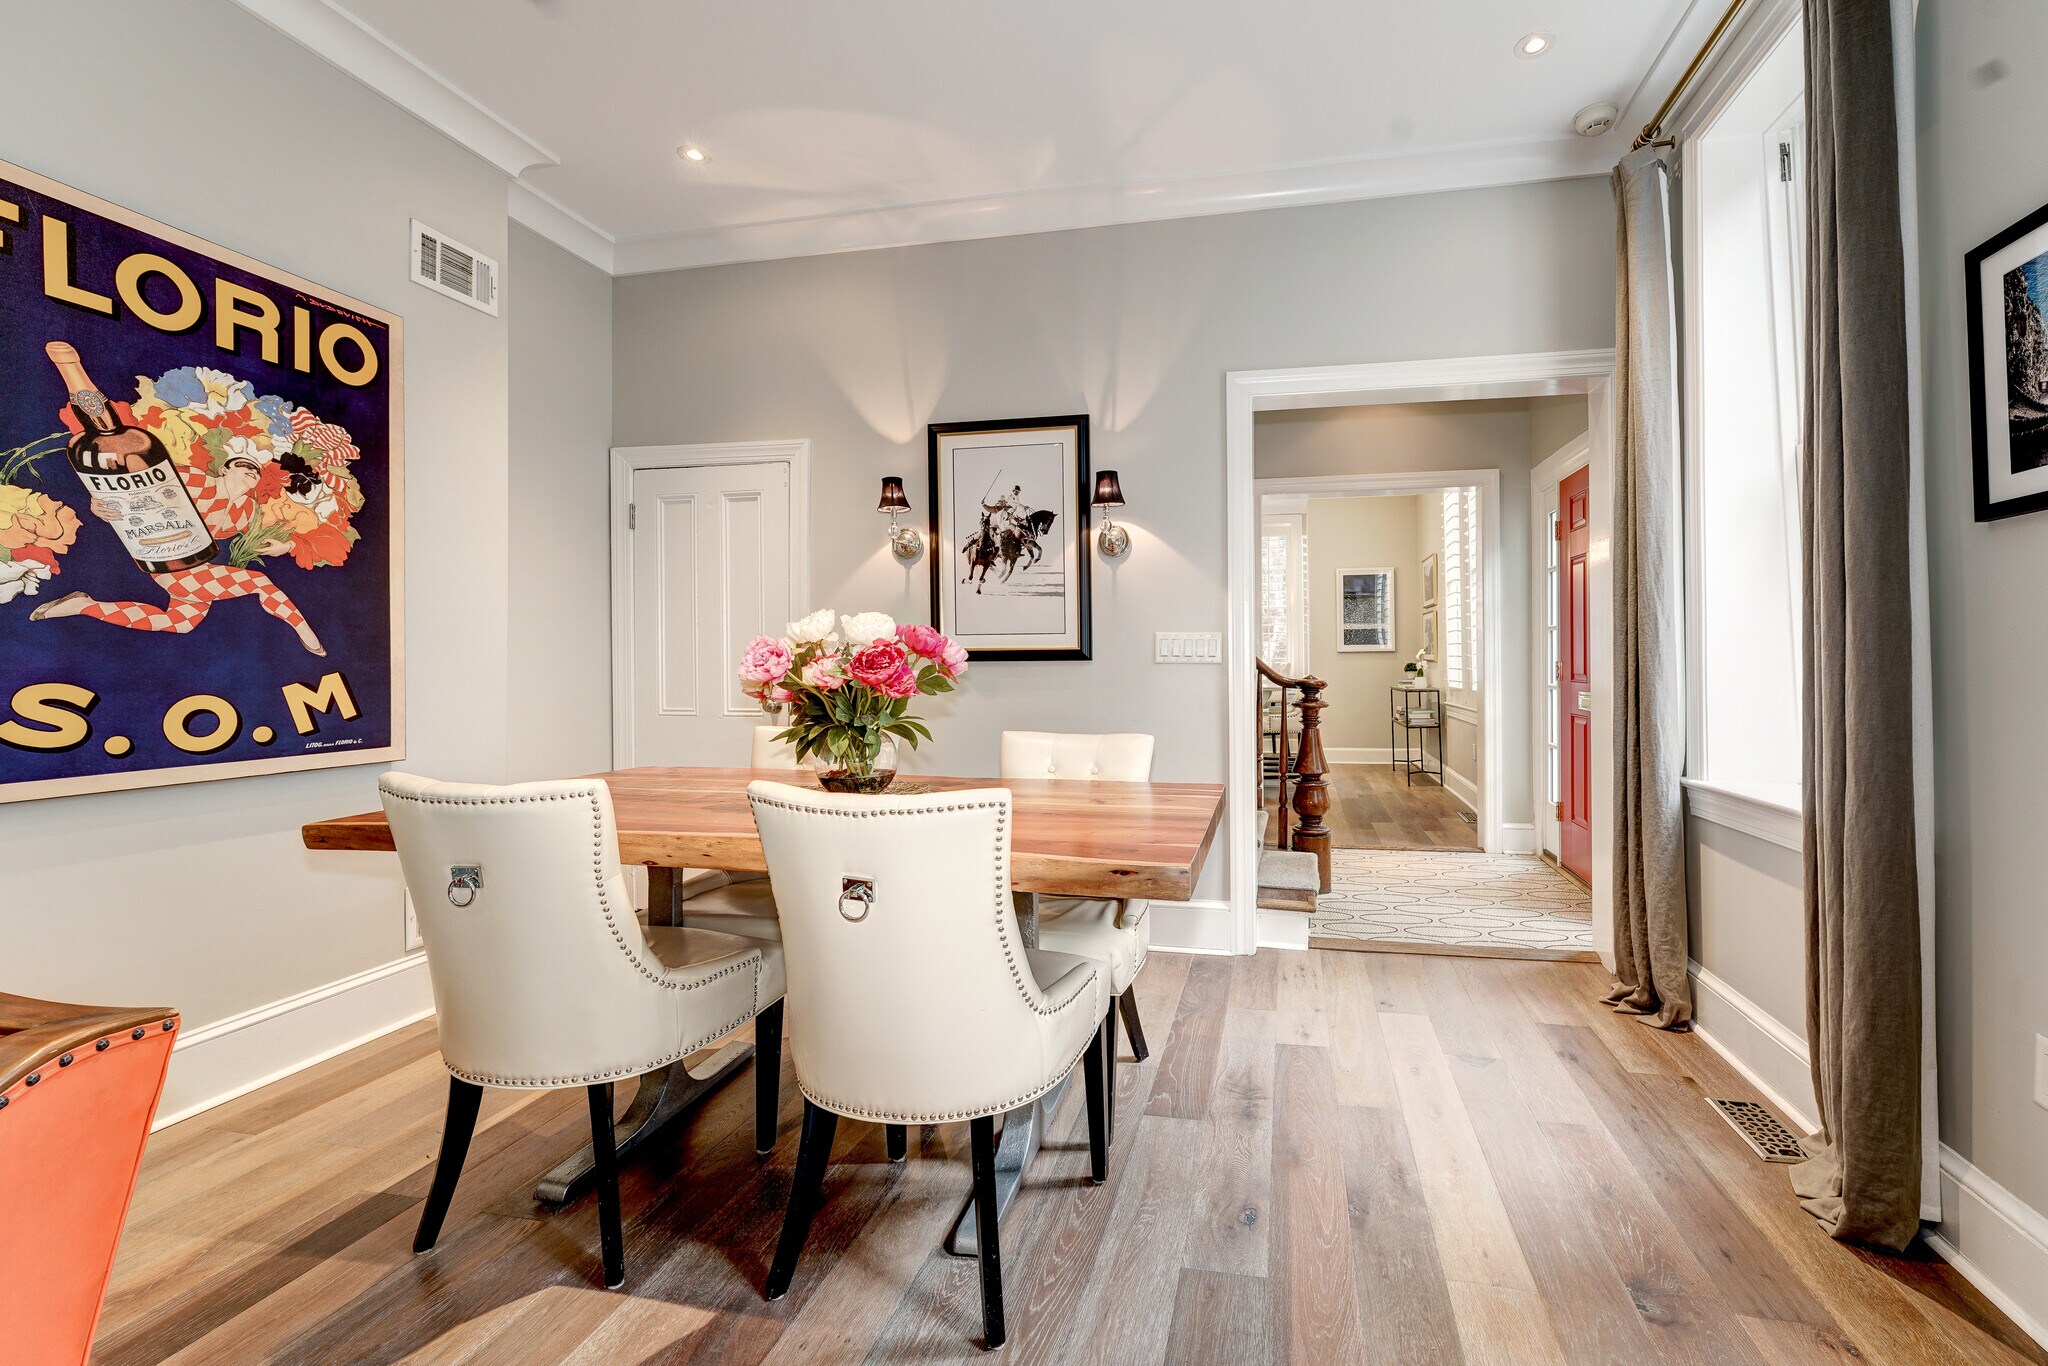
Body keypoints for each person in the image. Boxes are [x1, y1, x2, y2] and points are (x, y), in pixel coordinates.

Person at [29, 453, 326, 656]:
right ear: (225, 469)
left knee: (181, 622)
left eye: (256, 472)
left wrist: (286, 547)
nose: (252, 471)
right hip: (166, 561)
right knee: (259, 581)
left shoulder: (245, 511)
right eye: (244, 465)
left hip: (196, 567)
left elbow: (275, 533)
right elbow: (131, 490)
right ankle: (305, 632)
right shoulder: (191, 479)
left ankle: (84, 605)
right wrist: (101, 506)